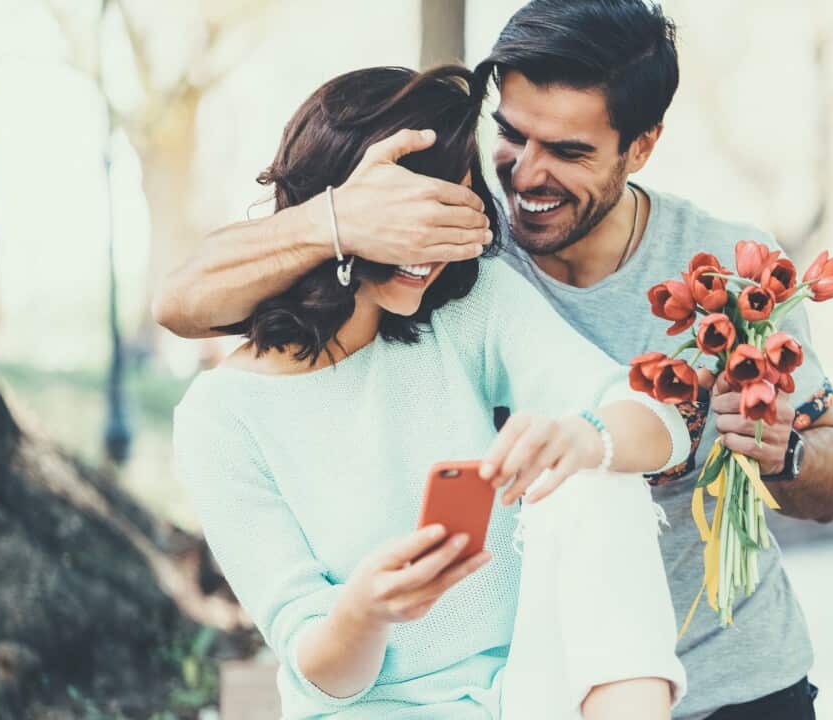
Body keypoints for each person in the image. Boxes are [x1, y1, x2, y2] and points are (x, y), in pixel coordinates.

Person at [157, 2, 833, 718]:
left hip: (729, 678)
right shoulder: (454, 241)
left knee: (593, 461)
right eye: (512, 135)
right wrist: (339, 219)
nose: (526, 176)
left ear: (640, 146)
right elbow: (182, 303)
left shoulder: (730, 271)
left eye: (569, 151)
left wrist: (785, 454)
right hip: (536, 683)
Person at [172, 64, 690, 719]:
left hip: (525, 697)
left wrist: (583, 436)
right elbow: (322, 670)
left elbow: (659, 419)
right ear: (348, 210)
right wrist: (365, 610)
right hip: (370, 708)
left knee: (599, 467)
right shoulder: (221, 418)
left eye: (456, 210)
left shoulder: (467, 309)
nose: (437, 248)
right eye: (417, 215)